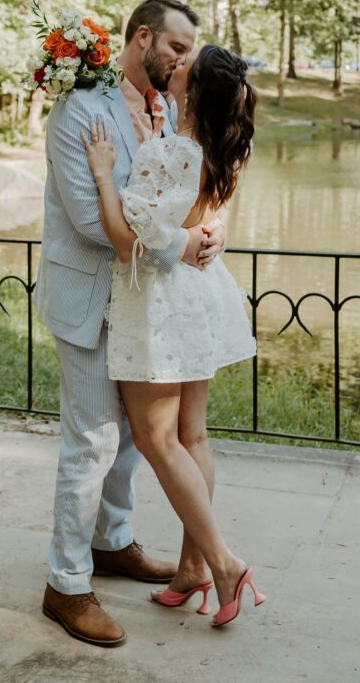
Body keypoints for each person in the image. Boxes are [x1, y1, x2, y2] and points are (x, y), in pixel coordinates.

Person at [35, 0, 227, 647]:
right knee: (91, 440)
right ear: (142, 38)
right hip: (90, 297)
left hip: (145, 301)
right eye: (175, 48)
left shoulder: (171, 108)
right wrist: (181, 245)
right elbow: (94, 221)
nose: (182, 61)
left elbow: (177, 193)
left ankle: (112, 543)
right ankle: (65, 584)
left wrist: (207, 230)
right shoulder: (78, 112)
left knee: (130, 441)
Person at [80, 43, 265, 628]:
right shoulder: (220, 151)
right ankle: (192, 571)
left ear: (193, 86)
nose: (176, 61)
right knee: (193, 435)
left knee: (157, 439)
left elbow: (124, 237)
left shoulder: (168, 152)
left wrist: (105, 174)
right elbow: (197, 217)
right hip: (199, 298)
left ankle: (224, 563)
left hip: (157, 305)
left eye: (186, 61)